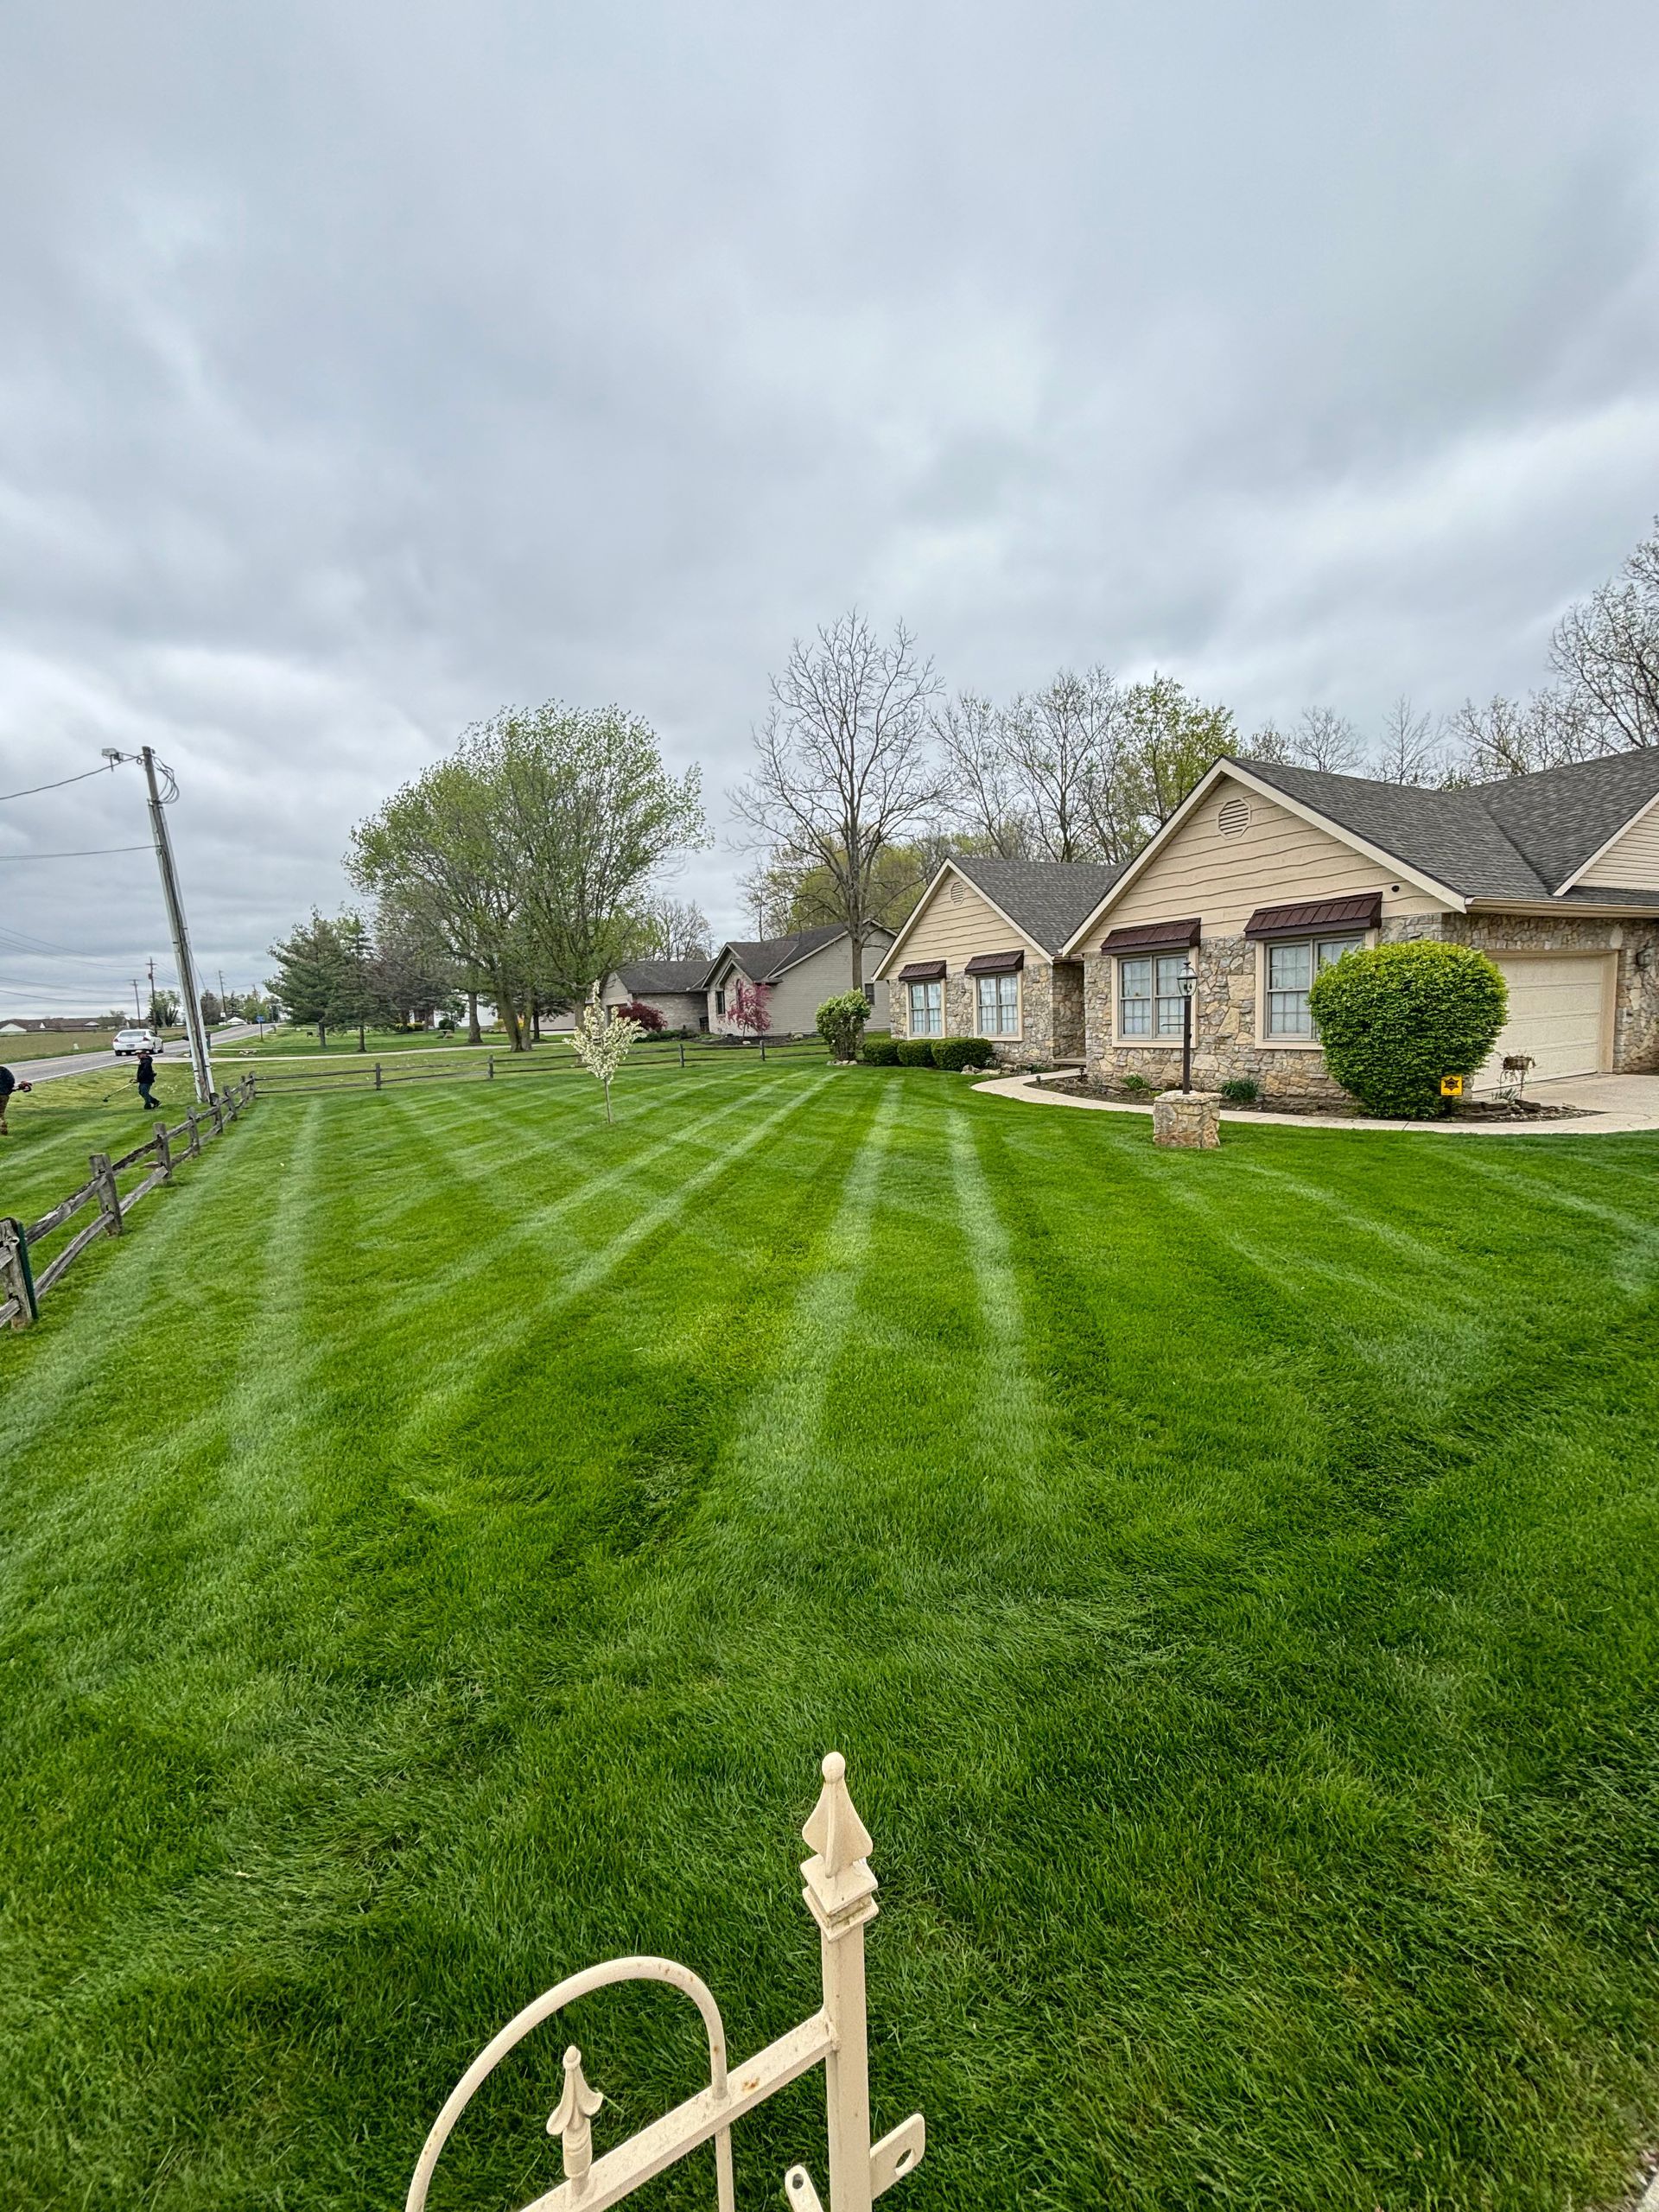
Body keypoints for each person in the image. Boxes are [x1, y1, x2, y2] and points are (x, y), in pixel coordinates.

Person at [0, 1065, 29, 1136]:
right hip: (4, 1095)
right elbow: (11, 1081)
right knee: (1, 1113)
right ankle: (2, 1125)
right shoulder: (4, 1071)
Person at [135, 1048, 159, 1112]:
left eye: (140, 1054)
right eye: (137, 1054)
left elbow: (144, 1072)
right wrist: (138, 1078)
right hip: (143, 1080)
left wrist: (138, 1078)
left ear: (145, 1054)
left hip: (146, 1080)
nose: (138, 1055)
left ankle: (148, 1105)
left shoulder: (146, 1061)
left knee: (144, 1092)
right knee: (141, 1092)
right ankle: (155, 1101)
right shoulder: (143, 1061)